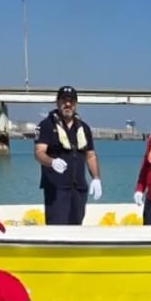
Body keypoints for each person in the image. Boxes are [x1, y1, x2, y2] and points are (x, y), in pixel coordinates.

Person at [34, 86, 102, 225]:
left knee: (76, 227)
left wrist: (96, 178)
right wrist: (52, 162)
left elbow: (90, 156)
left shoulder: (84, 128)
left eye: (71, 101)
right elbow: (39, 152)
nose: (68, 104)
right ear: (57, 102)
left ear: (76, 104)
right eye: (64, 100)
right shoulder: (46, 125)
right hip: (56, 189)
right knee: (57, 228)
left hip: (78, 189)